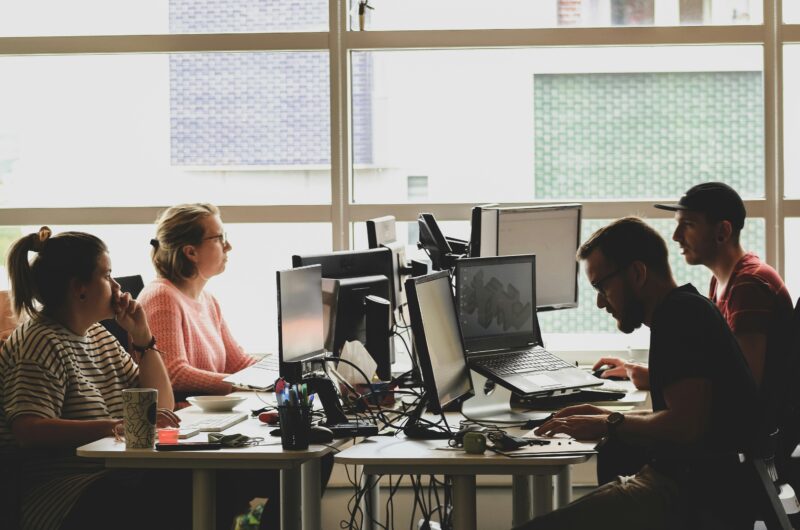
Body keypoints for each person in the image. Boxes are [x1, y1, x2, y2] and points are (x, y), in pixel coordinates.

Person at [515, 217, 760, 530]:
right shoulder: (688, 308)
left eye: (601, 286)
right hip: (698, 488)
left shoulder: (679, 317)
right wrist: (603, 416)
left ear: (637, 273)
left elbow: (686, 426)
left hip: (688, 496)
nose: (601, 302)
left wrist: (610, 422)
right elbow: (684, 416)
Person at [0, 227, 188, 530]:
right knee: (181, 489)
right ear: (80, 288)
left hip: (116, 477)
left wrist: (142, 338)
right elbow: (28, 429)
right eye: (107, 275)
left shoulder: (98, 335)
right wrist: (113, 426)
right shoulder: (38, 342)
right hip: (66, 493)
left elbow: (159, 408)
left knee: (202, 479)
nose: (116, 285)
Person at [595, 182, 793, 390]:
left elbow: (746, 382)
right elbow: (721, 366)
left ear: (722, 231)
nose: (676, 236)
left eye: (688, 224)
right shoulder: (723, 280)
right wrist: (643, 370)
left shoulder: (748, 285)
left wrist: (656, 379)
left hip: (760, 422)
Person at [138, 203, 257, 398]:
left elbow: (238, 363)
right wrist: (241, 384)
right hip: (181, 418)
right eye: (219, 238)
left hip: (211, 413)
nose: (228, 246)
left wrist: (283, 375)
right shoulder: (161, 297)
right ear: (191, 252)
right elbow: (174, 374)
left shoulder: (208, 300)